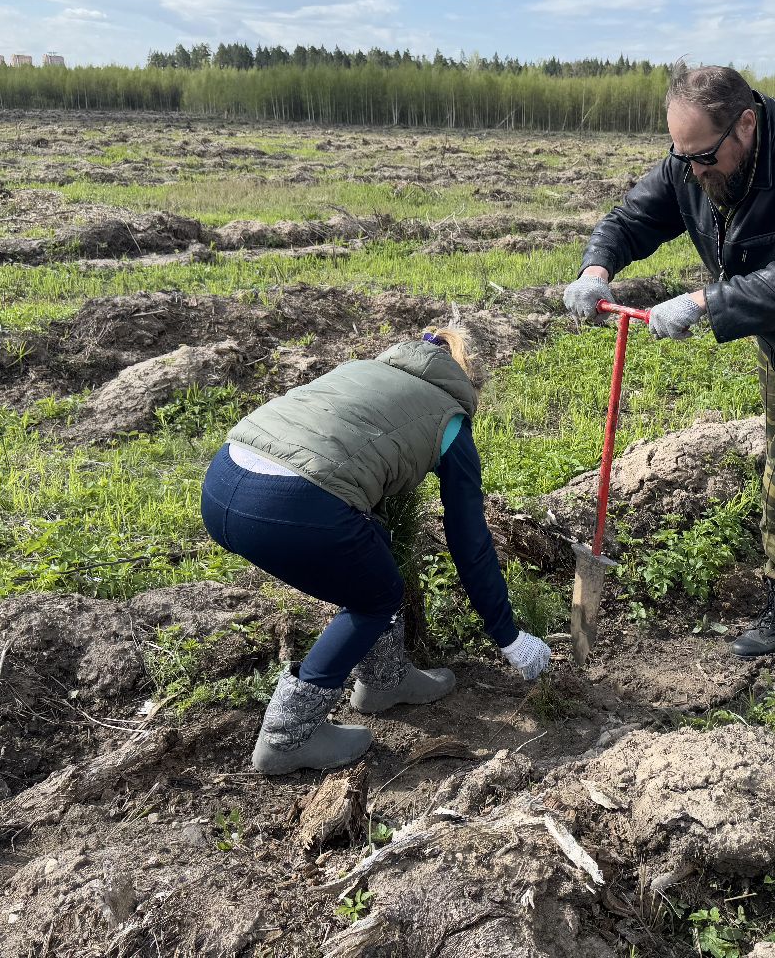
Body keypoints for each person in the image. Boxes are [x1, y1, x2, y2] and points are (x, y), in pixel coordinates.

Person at [564, 63, 775, 658]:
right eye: (682, 156)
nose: (692, 171)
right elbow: (635, 217)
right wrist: (596, 267)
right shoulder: (695, 155)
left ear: (745, 124)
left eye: (703, 157)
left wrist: (705, 302)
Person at [200, 327, 552, 775]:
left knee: (371, 562)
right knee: (376, 597)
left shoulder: (362, 370)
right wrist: (508, 635)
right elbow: (470, 540)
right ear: (466, 381)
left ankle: (385, 682)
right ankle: (287, 738)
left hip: (222, 480)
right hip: (286, 505)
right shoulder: (449, 420)